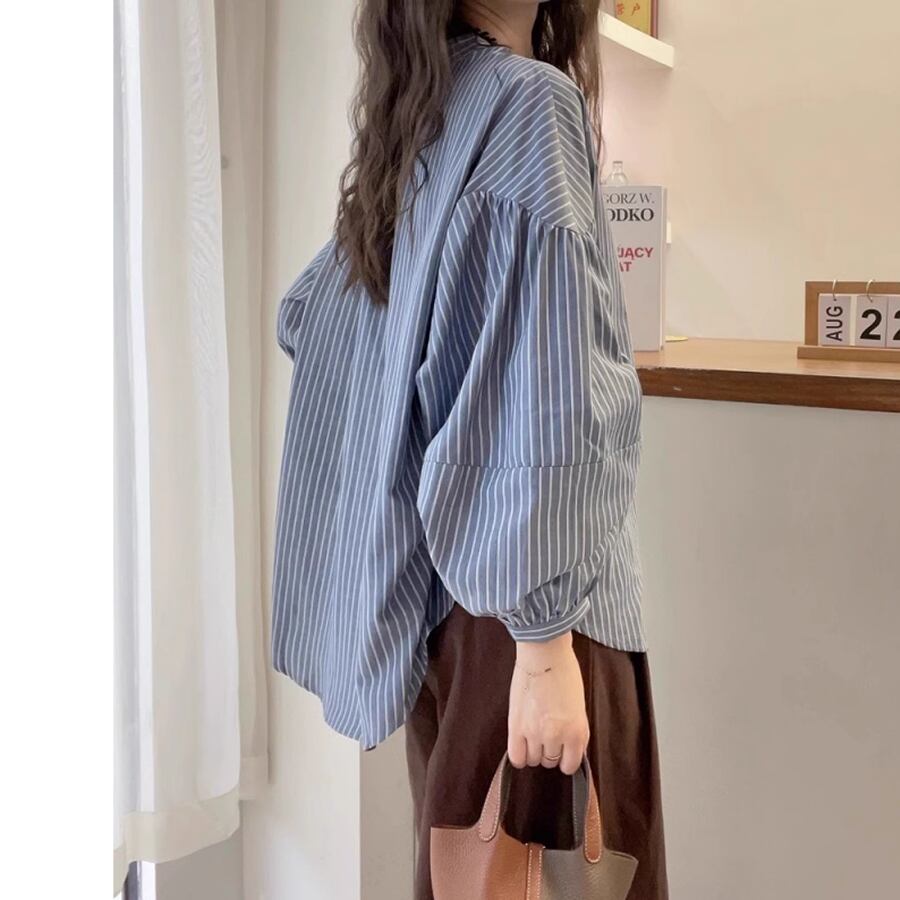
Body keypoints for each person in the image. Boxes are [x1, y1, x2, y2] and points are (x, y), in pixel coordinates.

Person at [272, 1, 668, 897]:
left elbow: (311, 318)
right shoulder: (530, 104)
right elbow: (547, 387)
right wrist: (543, 642)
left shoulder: (426, 111)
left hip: (451, 621)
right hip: (541, 629)